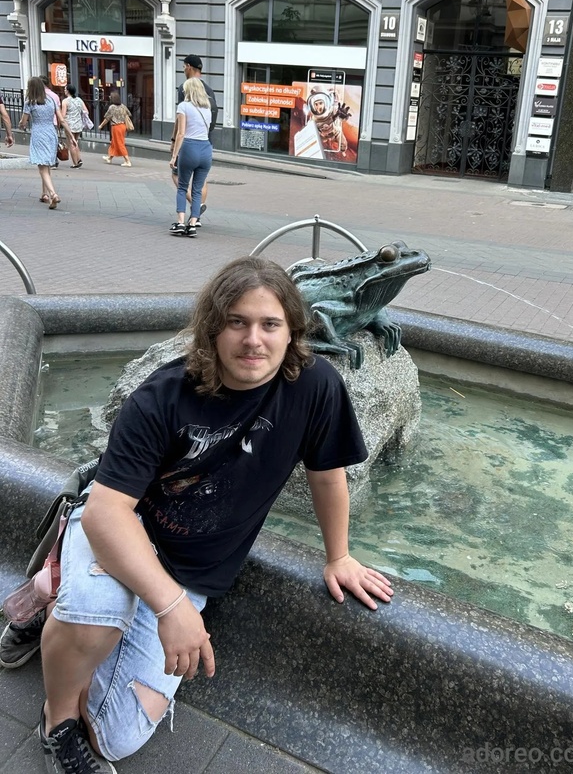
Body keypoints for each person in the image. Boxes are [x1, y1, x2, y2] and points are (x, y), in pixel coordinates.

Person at [10, 256, 392, 773]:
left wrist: (338, 556)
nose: (253, 340)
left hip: (193, 568)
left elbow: (327, 475)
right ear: (213, 328)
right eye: (237, 322)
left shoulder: (315, 386)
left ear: (292, 332)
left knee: (117, 736)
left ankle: (54, 596)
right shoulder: (162, 396)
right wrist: (170, 608)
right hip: (126, 527)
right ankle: (57, 722)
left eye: (270, 324)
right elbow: (107, 513)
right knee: (97, 612)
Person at [170, 54, 217, 224]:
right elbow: (212, 122)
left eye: (184, 66)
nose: (183, 69)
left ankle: (185, 217)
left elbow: (180, 124)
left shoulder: (184, 89)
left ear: (189, 66)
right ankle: (195, 218)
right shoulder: (209, 93)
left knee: (179, 180)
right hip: (206, 144)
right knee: (200, 183)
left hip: (189, 143)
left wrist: (174, 144)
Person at [18, 77, 78, 209]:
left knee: (42, 167)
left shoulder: (30, 102)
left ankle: (53, 194)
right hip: (51, 133)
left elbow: (24, 121)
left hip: (39, 134)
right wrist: (71, 136)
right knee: (47, 165)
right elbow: (62, 120)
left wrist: (21, 125)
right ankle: (47, 196)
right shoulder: (51, 100)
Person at [99, 92, 132, 166]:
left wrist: (101, 125)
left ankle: (127, 161)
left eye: (110, 97)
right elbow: (129, 114)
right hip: (123, 126)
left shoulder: (112, 107)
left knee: (120, 143)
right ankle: (109, 158)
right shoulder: (123, 106)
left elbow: (107, 118)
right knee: (114, 142)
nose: (109, 98)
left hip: (116, 127)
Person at [61, 85, 88, 168]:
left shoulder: (65, 101)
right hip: (78, 124)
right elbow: (86, 111)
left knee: (71, 143)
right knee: (75, 141)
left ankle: (75, 163)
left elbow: (63, 115)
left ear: (68, 91)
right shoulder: (79, 100)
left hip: (70, 125)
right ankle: (79, 159)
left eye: (65, 89)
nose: (64, 90)